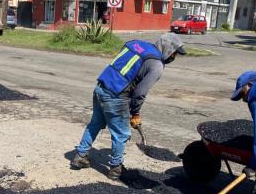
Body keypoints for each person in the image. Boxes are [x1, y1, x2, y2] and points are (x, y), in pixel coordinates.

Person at [70, 33, 186, 180]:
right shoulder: (157, 65)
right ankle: (116, 169)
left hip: (100, 87)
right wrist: (135, 113)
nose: (174, 58)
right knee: (121, 134)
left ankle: (80, 156)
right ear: (169, 49)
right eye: (175, 53)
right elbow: (140, 93)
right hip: (115, 95)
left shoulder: (134, 43)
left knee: (95, 124)